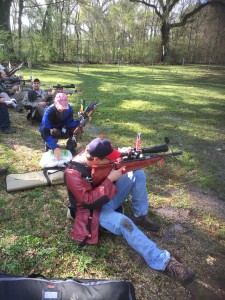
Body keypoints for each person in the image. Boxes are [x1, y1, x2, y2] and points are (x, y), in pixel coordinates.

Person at [65, 137, 195, 284]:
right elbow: (87, 202)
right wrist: (109, 180)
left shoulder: (94, 152)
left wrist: (123, 153)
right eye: (109, 159)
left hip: (107, 195)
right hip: (93, 211)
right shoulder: (73, 173)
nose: (113, 160)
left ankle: (140, 215)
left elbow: (113, 160)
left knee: (137, 174)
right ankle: (163, 261)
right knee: (123, 222)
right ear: (96, 160)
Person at [39, 93, 80, 160]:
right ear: (55, 102)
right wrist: (54, 147)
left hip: (63, 128)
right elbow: (44, 131)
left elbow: (69, 122)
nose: (62, 109)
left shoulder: (68, 108)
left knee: (78, 129)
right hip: (53, 131)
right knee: (54, 131)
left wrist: (78, 123)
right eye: (60, 106)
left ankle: (71, 147)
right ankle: (50, 146)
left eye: (63, 107)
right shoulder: (49, 112)